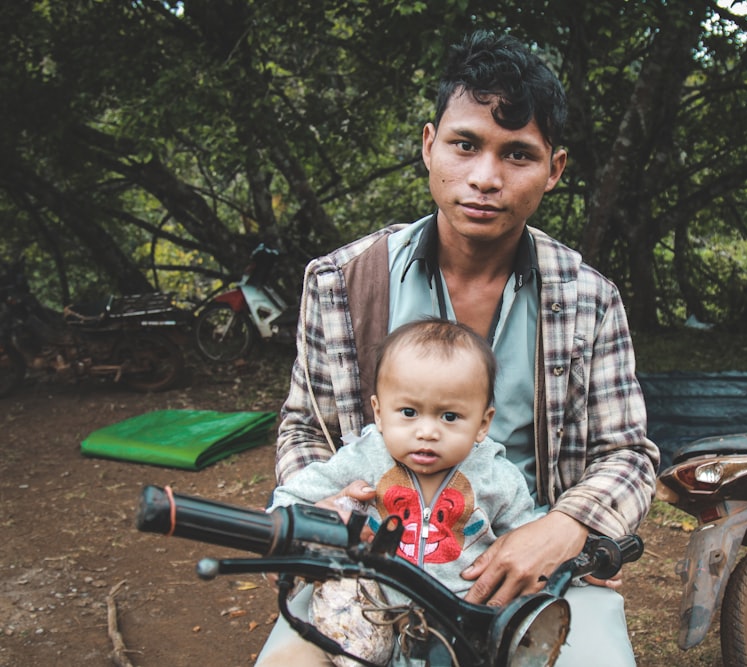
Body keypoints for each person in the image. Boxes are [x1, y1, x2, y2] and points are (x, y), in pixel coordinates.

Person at [257, 30, 659, 667]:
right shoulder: (339, 282)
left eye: (517, 155)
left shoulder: (590, 299)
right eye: (464, 145)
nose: (484, 178)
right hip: (365, 576)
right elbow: (304, 425)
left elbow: (629, 453)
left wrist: (565, 528)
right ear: (428, 145)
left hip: (525, 578)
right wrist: (325, 504)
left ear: (554, 170)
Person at [268, 317, 536, 664]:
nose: (427, 431)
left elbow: (525, 540)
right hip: (367, 615)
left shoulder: (497, 477)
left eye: (450, 417)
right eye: (408, 412)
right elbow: (290, 501)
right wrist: (312, 517)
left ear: (483, 423)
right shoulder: (364, 459)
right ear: (379, 413)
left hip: (460, 625)